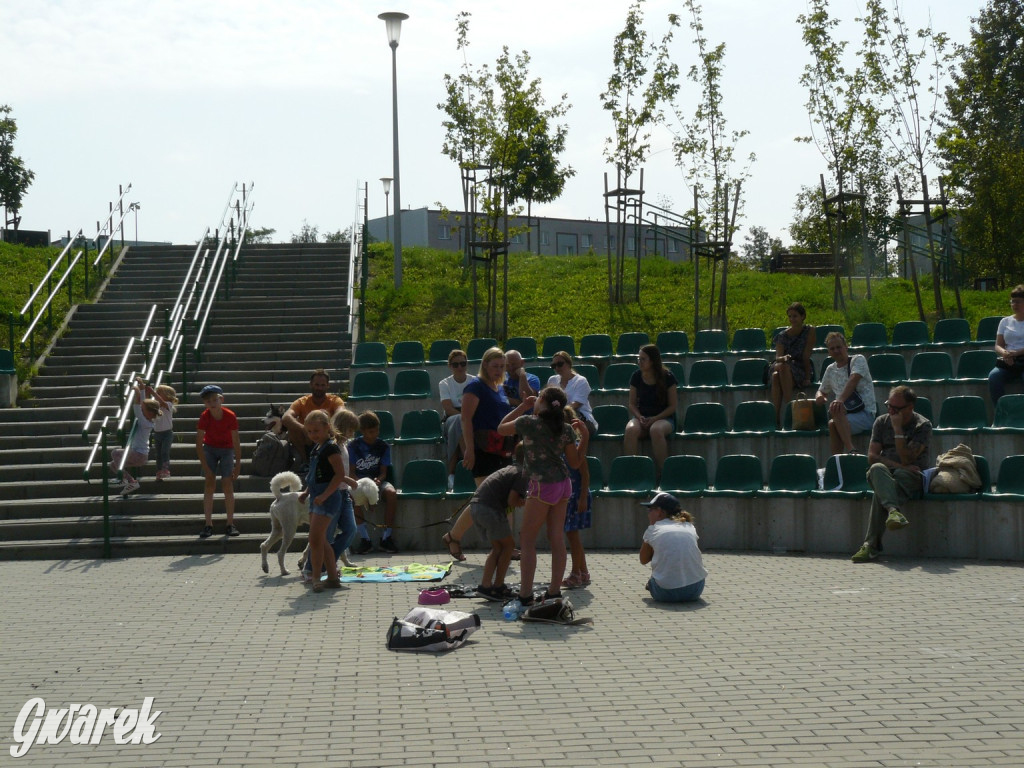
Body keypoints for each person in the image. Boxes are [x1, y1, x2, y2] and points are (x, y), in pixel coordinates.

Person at [498, 386, 588, 607]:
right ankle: (554, 591)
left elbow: (501, 429)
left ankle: (526, 594)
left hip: (542, 486)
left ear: (544, 404)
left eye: (539, 398)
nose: (535, 400)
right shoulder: (566, 428)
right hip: (563, 485)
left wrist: (522, 406)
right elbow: (575, 463)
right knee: (556, 537)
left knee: (527, 538)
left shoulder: (529, 423)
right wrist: (584, 436)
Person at [851, 385, 932, 563]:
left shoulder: (922, 425)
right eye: (889, 405)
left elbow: (907, 459)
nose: (890, 410)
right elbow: (872, 457)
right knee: (876, 469)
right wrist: (900, 467)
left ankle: (870, 547)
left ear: (910, 408)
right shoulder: (881, 421)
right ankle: (894, 511)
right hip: (888, 472)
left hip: (912, 476)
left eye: (896, 408)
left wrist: (897, 431)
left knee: (883, 490)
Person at [301, 408, 360, 583]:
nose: (352, 434)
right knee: (322, 536)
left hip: (342, 493)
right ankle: (313, 568)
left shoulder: (339, 447)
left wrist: (348, 481)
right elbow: (324, 474)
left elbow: (339, 473)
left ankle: (328, 563)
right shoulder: (327, 448)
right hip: (330, 494)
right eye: (350, 430)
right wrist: (308, 491)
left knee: (350, 529)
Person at [469, 444, 528, 601]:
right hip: (490, 509)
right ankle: (498, 586)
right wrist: (525, 502)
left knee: (497, 548)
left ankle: (486, 586)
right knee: (508, 546)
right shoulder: (522, 474)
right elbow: (512, 500)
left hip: (476, 506)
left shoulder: (511, 469)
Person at [297, 410, 346, 592]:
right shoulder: (316, 449)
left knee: (315, 539)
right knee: (322, 540)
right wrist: (307, 492)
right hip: (316, 497)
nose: (313, 435)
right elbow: (314, 475)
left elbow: (339, 475)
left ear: (327, 427)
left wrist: (324, 495)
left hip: (328, 498)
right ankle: (332, 578)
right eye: (309, 431)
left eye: (316, 430)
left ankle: (316, 577)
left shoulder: (331, 448)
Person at [638, 492, 707, 603]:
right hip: (695, 590)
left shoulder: (654, 529)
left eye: (650, 510)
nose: (648, 514)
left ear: (660, 512)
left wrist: (651, 530)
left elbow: (643, 559)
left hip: (665, 593)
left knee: (653, 579)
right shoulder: (689, 526)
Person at [815, 331, 876, 454]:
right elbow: (821, 390)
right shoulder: (830, 369)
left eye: (838, 347)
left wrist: (840, 400)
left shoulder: (858, 360)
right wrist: (820, 397)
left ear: (846, 346)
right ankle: (838, 460)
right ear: (829, 352)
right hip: (843, 414)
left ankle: (850, 450)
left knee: (835, 410)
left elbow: (853, 380)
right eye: (832, 348)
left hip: (865, 412)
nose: (836, 350)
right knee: (832, 423)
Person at [348, 410, 399, 554]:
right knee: (353, 496)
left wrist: (377, 481)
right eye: (370, 432)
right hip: (359, 482)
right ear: (362, 431)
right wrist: (363, 486)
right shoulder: (353, 447)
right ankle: (365, 539)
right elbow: (351, 473)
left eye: (376, 430)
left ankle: (386, 538)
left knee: (391, 493)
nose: (374, 434)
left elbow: (383, 473)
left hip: (378, 482)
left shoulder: (383, 446)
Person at [624, 343, 678, 475]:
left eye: (643, 359)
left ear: (652, 361)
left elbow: (673, 406)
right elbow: (631, 404)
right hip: (642, 418)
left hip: (664, 418)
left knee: (656, 430)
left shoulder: (668, 377)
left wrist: (655, 418)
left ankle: (665, 473)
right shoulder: (636, 376)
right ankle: (632, 473)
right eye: (639, 358)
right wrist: (639, 417)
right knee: (630, 429)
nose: (639, 362)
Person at [195, 384, 241, 538]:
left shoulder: (230, 415)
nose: (212, 403)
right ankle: (208, 523)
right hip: (210, 448)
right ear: (204, 403)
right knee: (209, 483)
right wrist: (205, 466)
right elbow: (199, 442)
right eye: (208, 401)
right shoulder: (204, 416)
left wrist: (238, 464)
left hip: (227, 449)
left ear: (221, 399)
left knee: (227, 483)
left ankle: (230, 523)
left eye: (215, 400)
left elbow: (236, 441)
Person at [281, 369, 346, 468]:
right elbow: (285, 417)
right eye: (317, 385)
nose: (319, 388)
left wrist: (329, 429)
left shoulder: (335, 400)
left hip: (328, 437)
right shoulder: (302, 402)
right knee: (293, 429)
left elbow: (341, 413)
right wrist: (304, 429)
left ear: (328, 386)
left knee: (341, 425)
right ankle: (306, 462)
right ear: (311, 384)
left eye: (323, 385)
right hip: (308, 438)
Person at [110, 378, 163, 497]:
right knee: (113, 465)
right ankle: (128, 480)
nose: (142, 411)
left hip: (139, 454)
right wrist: (142, 388)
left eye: (144, 410)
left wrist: (138, 393)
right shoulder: (147, 420)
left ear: (149, 413)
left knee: (115, 453)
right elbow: (142, 405)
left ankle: (129, 481)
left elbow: (137, 407)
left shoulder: (145, 422)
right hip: (139, 455)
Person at [561, 406, 593, 590]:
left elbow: (585, 475)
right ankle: (584, 571)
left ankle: (576, 573)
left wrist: (582, 498)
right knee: (572, 535)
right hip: (568, 496)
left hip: (577, 496)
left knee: (573, 536)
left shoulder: (577, 447)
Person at [770, 302, 815, 427]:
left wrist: (807, 377)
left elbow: (806, 355)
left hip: (799, 367)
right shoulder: (782, 336)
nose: (792, 319)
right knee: (778, 369)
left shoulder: (809, 331)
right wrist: (784, 358)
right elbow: (778, 358)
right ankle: (786, 412)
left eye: (795, 316)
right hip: (782, 365)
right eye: (790, 316)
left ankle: (781, 415)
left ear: (803, 316)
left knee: (776, 376)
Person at [439, 348, 475, 490]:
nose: (460, 367)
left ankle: (452, 473)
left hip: (472, 416)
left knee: (461, 424)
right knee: (459, 422)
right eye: (455, 364)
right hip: (453, 416)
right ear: (450, 366)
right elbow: (448, 408)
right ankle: (469, 468)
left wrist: (467, 419)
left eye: (462, 363)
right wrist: (465, 419)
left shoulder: (474, 380)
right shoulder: (445, 383)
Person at [988, 284, 1024, 405]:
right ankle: (1001, 412)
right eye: (1012, 302)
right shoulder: (1005, 321)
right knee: (993, 377)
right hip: (1009, 361)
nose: (1014, 305)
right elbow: (998, 345)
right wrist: (1005, 353)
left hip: (1022, 358)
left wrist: (1017, 353)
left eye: (1018, 302)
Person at [547, 351, 598, 436]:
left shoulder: (581, 381)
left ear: (569, 364)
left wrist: (557, 412)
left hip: (582, 419)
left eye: (560, 364)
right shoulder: (552, 380)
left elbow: (576, 404)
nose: (557, 368)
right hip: (558, 418)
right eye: (554, 366)